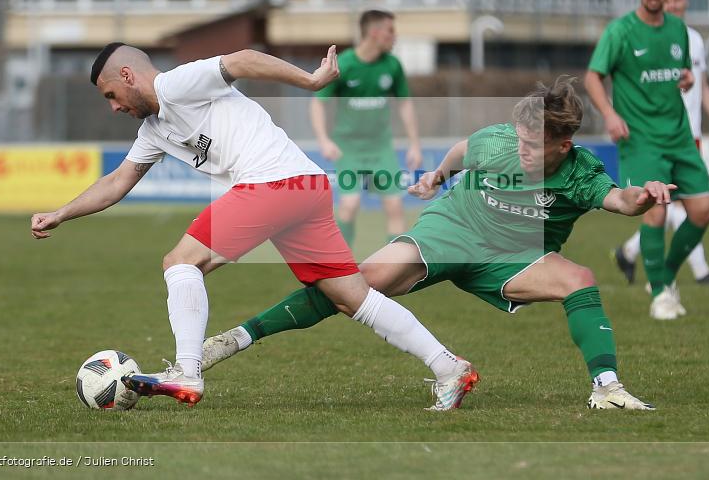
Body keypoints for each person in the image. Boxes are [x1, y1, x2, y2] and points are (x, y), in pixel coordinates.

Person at [30, 43, 477, 411]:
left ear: (128, 76)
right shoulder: (152, 131)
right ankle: (448, 367)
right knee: (351, 297)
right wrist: (61, 213)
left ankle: (188, 371)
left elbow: (240, 60)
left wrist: (310, 80)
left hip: (275, 183)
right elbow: (117, 181)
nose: (113, 108)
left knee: (181, 261)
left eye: (111, 95)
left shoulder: (174, 84)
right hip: (304, 186)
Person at [202, 80, 670, 411]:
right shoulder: (499, 141)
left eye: (534, 144)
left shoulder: (579, 172)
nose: (521, 148)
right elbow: (463, 150)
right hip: (453, 228)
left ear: (563, 146)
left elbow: (619, 200)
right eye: (520, 137)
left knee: (580, 279)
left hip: (512, 257)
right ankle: (235, 339)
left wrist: (644, 196)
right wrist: (437, 177)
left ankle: (606, 388)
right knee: (358, 284)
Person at [585, 0, 709, 321]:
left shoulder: (677, 29)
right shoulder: (620, 31)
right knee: (656, 211)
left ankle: (665, 276)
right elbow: (593, 77)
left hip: (678, 135)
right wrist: (610, 115)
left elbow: (681, 71)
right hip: (641, 139)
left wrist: (687, 79)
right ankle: (660, 294)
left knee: (704, 211)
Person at [613, 0, 709, 288]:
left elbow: (702, 86)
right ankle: (696, 272)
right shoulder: (639, 36)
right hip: (656, 138)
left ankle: (630, 252)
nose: (673, 4)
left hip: (687, 136)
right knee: (666, 208)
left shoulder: (693, 39)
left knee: (684, 208)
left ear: (685, 3)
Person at [310, 10, 421, 248]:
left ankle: (394, 268)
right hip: (349, 149)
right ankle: (340, 266)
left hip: (381, 148)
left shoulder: (392, 65)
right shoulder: (346, 64)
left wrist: (414, 144)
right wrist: (323, 140)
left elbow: (405, 104)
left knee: (395, 206)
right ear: (374, 32)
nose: (395, 36)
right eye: (390, 30)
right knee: (349, 205)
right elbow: (318, 104)